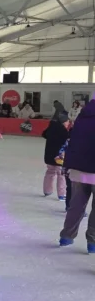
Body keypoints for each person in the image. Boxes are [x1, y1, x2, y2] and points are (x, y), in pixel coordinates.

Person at [59, 99, 95, 249]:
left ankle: (66, 236)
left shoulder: (81, 119)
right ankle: (92, 241)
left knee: (76, 205)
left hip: (78, 170)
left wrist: (68, 165)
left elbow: (72, 142)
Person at [42, 113, 70, 201]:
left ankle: (47, 190)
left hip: (49, 156)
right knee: (61, 174)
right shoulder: (63, 131)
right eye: (67, 121)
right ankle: (62, 194)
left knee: (50, 172)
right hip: (59, 157)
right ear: (63, 122)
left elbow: (44, 134)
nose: (68, 123)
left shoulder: (51, 128)